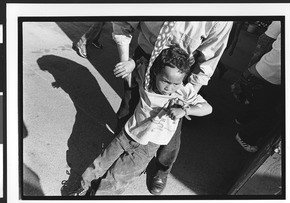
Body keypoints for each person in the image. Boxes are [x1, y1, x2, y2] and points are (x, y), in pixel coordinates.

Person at [69, 45, 212, 195]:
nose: (170, 87)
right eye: (166, 81)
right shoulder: (147, 79)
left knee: (119, 177)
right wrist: (131, 63)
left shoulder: (183, 91)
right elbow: (141, 61)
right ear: (156, 73)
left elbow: (208, 108)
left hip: (148, 146)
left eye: (176, 83)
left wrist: (185, 110)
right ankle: (81, 187)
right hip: (128, 133)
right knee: (101, 162)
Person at [112, 21, 232, 195]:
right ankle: (120, 153)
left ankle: (162, 169)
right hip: (144, 59)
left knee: (169, 130)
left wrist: (184, 99)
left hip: (178, 72)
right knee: (128, 112)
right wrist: (126, 64)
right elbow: (123, 22)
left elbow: (209, 60)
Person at [232, 32, 281, 153]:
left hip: (253, 77)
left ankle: (242, 118)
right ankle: (245, 137)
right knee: (269, 118)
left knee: (269, 100)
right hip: (255, 83)